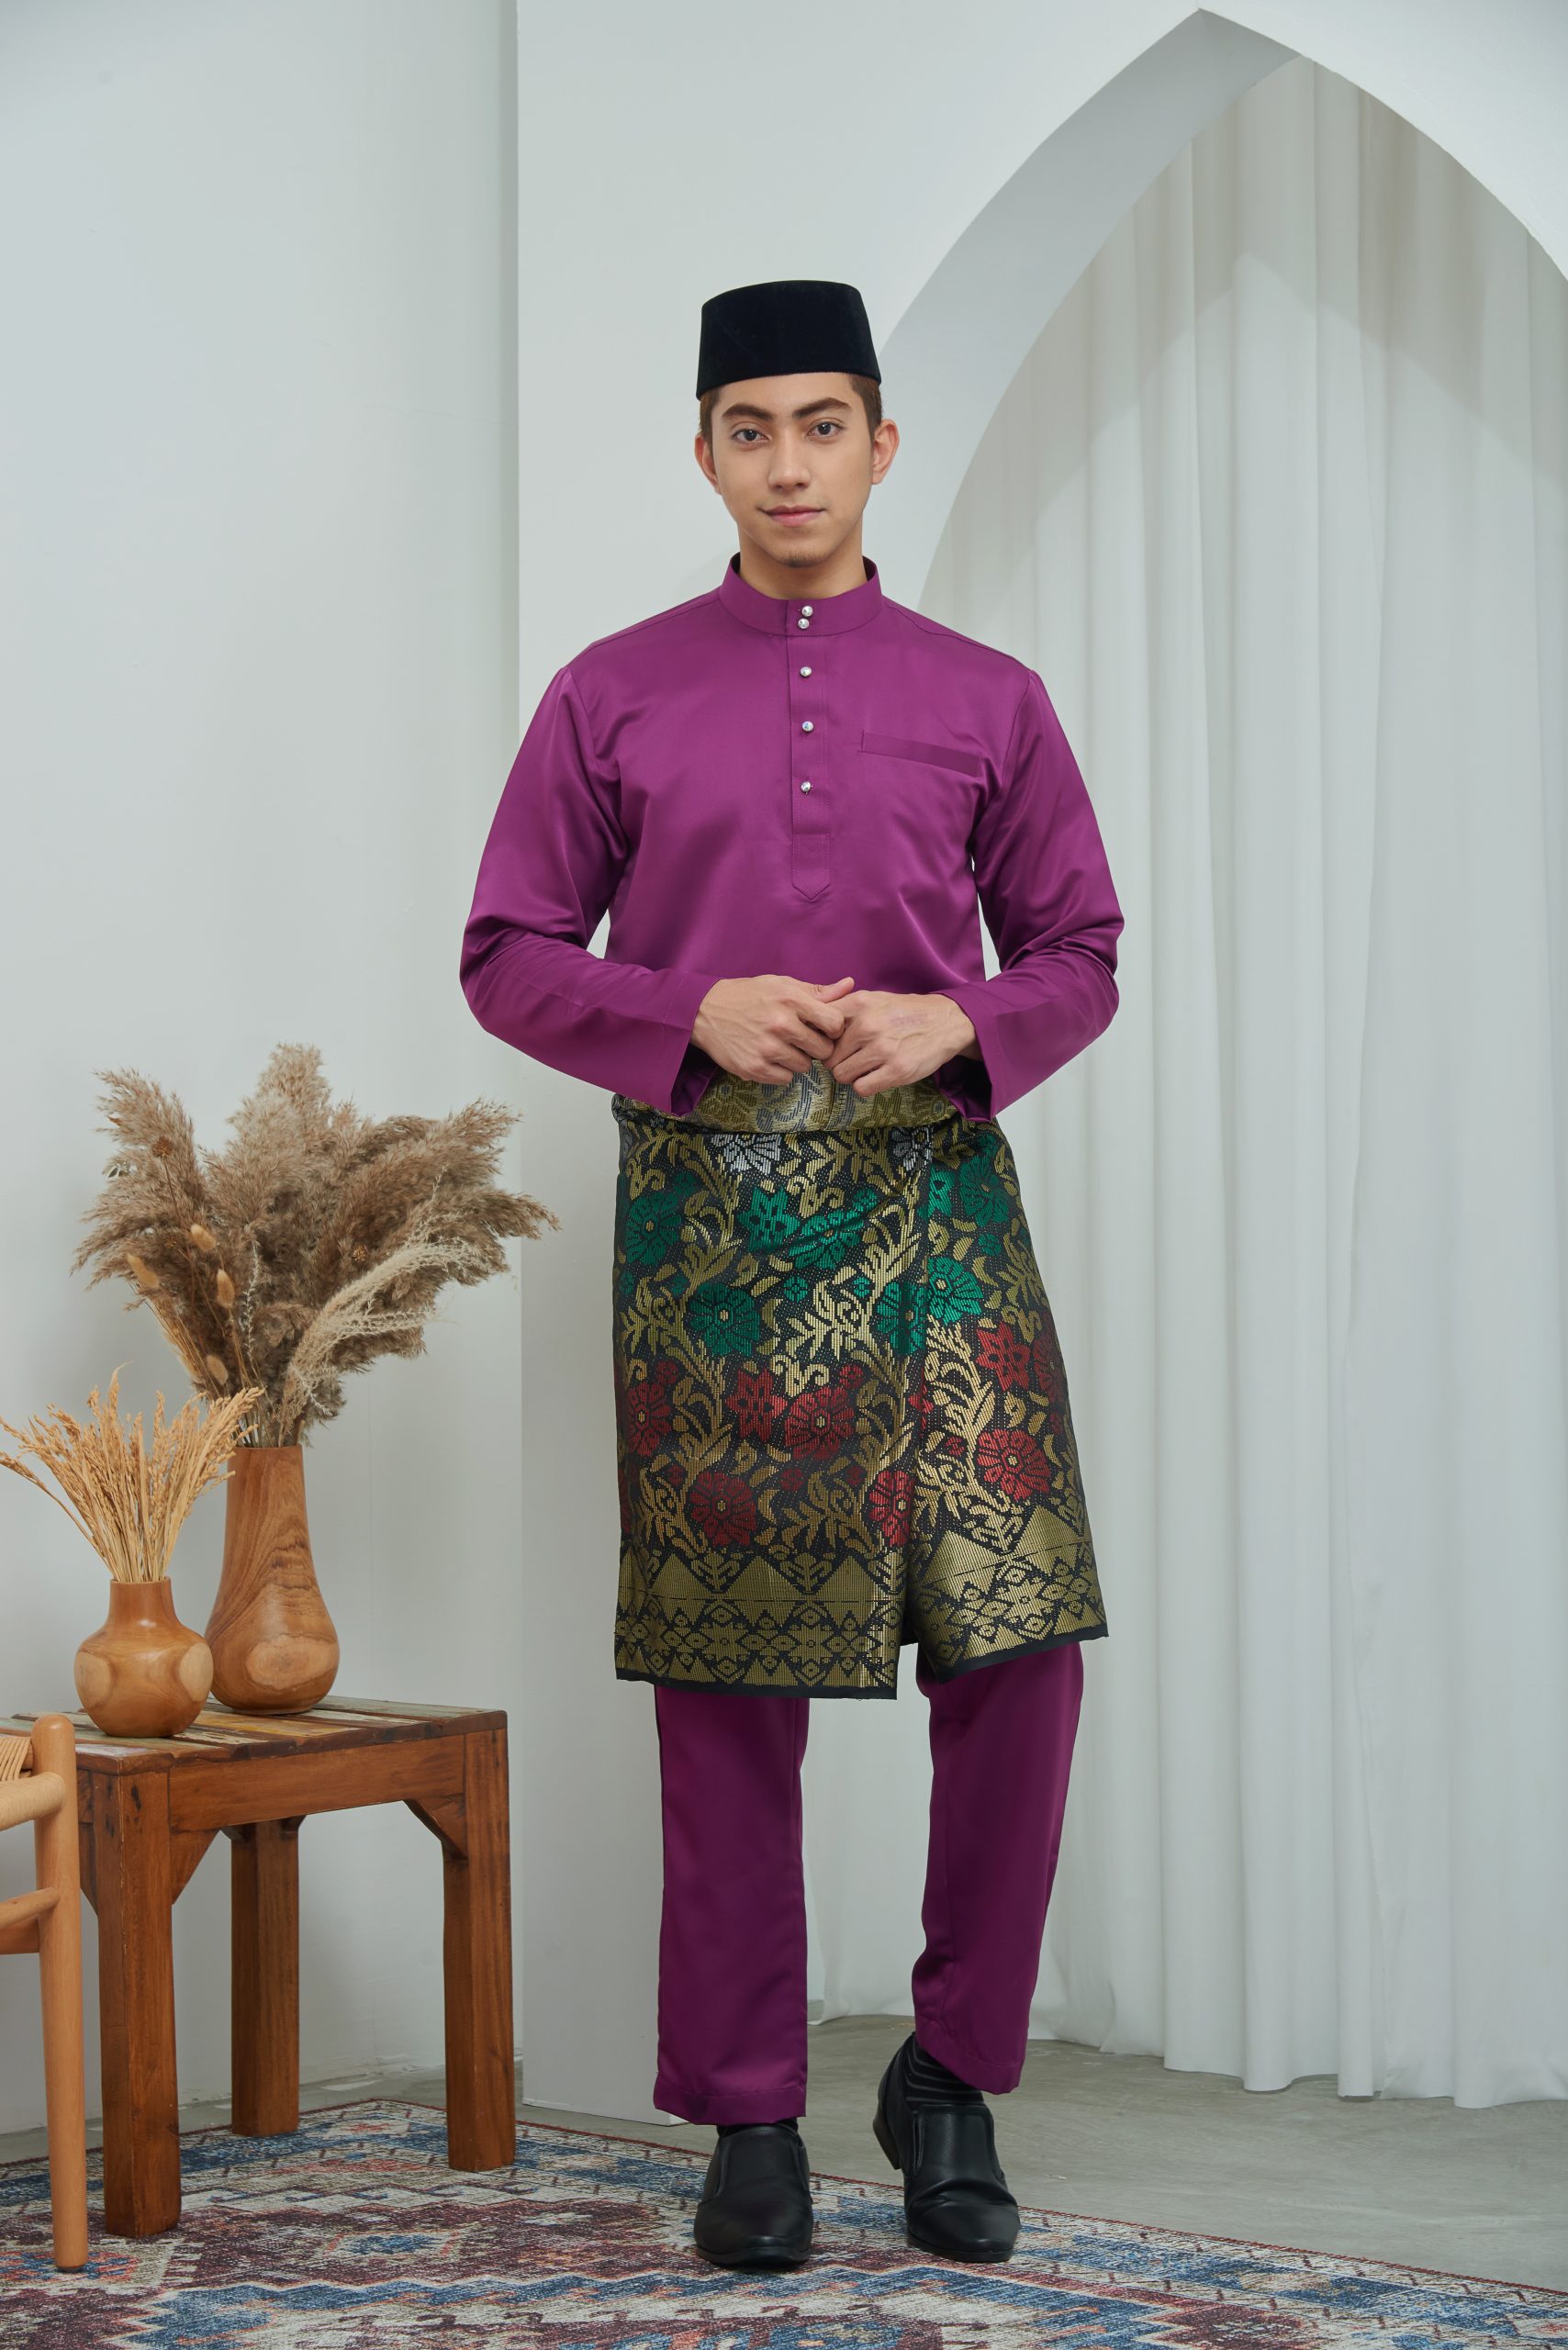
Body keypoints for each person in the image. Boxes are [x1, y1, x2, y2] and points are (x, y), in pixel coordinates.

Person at [460, 277, 1124, 2271]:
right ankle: (749, 2110)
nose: (787, 463)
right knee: (729, 1687)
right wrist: (685, 1006)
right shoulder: (612, 691)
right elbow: (504, 950)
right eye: (748, 429)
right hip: (713, 1235)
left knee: (1017, 1650)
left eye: (821, 423)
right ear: (704, 453)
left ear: (880, 444)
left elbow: (1081, 945)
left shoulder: (987, 695)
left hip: (942, 1216)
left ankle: (951, 2074)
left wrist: (964, 1021)